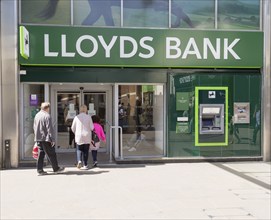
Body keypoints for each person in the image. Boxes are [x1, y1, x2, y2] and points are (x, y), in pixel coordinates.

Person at [33, 102, 65, 175]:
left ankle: (39, 169)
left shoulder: (37, 115)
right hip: (46, 138)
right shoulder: (47, 116)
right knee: (51, 153)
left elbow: (34, 126)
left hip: (38, 137)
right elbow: (49, 128)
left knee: (41, 153)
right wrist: (52, 139)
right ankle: (56, 168)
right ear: (47, 108)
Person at [71, 105, 94, 170]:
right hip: (87, 135)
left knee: (79, 149)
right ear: (86, 110)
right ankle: (85, 165)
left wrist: (76, 132)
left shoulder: (76, 117)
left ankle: (79, 161)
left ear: (80, 110)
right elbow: (92, 128)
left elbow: (73, 127)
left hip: (79, 135)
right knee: (86, 150)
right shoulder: (88, 117)